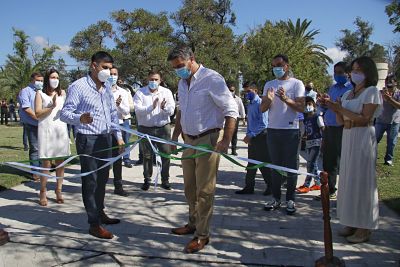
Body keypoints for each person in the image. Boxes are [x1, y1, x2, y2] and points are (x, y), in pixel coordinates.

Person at [168, 45, 238, 253]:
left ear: (192, 59)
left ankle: (202, 235)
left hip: (207, 140)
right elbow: (181, 110)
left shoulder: (212, 79)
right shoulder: (182, 82)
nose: (178, 70)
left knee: (205, 191)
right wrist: (174, 137)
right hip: (187, 141)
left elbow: (231, 110)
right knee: (190, 188)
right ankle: (192, 223)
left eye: (180, 66)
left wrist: (226, 139)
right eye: (175, 68)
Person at [60, 51, 124, 239]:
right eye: (105, 68)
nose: (108, 72)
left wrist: (118, 137)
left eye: (110, 68)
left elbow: (113, 115)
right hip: (87, 139)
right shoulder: (78, 87)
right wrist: (79, 118)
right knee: (91, 181)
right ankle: (93, 224)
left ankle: (100, 212)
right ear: (93, 65)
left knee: (103, 179)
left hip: (106, 139)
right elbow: (64, 114)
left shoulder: (107, 88)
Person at [323, 56, 382, 243]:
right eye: (353, 69)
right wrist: (335, 109)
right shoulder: (348, 94)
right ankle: (351, 221)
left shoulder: (371, 91)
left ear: (368, 72)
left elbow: (364, 118)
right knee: (348, 179)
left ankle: (365, 227)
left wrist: (339, 109)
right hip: (347, 136)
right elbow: (341, 119)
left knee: (362, 180)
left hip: (363, 136)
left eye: (359, 70)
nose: (355, 73)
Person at [260, 54, 305, 215]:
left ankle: (290, 199)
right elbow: (262, 109)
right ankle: (276, 198)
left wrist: (286, 99)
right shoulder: (269, 84)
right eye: (273, 66)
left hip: (290, 131)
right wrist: (269, 99)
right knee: (275, 167)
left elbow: (301, 107)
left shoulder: (296, 84)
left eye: (279, 65)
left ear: (287, 65)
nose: (276, 68)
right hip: (273, 130)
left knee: (291, 167)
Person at [316, 62, 352, 200]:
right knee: (328, 161)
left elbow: (343, 108)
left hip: (342, 128)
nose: (337, 75)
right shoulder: (333, 88)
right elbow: (328, 107)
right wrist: (323, 103)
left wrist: (332, 104)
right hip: (329, 128)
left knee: (342, 161)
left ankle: (346, 192)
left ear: (347, 73)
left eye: (340, 72)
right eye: (335, 72)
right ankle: (328, 190)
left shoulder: (350, 90)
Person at [133, 70, 175, 191]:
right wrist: (151, 107)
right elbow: (138, 110)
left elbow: (172, 110)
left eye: (156, 79)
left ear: (160, 80)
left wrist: (164, 108)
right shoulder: (140, 93)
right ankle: (147, 179)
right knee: (147, 156)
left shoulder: (166, 92)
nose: (153, 82)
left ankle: (165, 180)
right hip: (146, 129)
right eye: (151, 79)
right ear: (147, 79)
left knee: (166, 155)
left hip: (163, 128)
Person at [34, 68, 70, 206]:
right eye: (52, 77)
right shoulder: (40, 94)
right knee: (47, 164)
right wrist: (51, 106)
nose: (55, 80)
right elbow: (37, 113)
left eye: (57, 77)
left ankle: (58, 190)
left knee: (61, 163)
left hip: (60, 130)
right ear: (47, 78)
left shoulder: (63, 93)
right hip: (46, 130)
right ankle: (43, 191)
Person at [235, 84, 271, 195]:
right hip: (253, 137)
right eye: (245, 92)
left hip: (261, 136)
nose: (247, 94)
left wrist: (251, 135)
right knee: (251, 164)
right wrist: (248, 135)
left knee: (262, 163)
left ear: (255, 90)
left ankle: (270, 186)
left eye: (249, 91)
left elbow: (263, 124)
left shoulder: (260, 103)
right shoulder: (250, 105)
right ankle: (249, 186)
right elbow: (251, 123)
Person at [109, 67, 130, 196]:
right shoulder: (101, 90)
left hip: (119, 127)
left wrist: (118, 105)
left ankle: (118, 185)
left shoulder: (123, 92)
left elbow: (126, 111)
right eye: (110, 74)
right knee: (104, 158)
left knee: (118, 159)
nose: (112, 76)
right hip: (105, 129)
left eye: (115, 74)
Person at [18, 72, 44, 181]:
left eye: (42, 81)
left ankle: (43, 170)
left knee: (43, 148)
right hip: (32, 124)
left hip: (43, 124)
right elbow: (26, 108)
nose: (40, 83)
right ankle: (35, 172)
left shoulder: (42, 91)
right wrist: (37, 118)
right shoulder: (25, 91)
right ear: (32, 80)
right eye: (38, 80)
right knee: (35, 148)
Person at [296, 97, 324, 194]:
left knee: (310, 163)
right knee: (314, 164)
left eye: (309, 104)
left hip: (316, 142)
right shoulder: (306, 118)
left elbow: (322, 128)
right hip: (309, 142)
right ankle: (317, 183)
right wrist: (304, 136)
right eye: (305, 104)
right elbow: (306, 130)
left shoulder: (317, 116)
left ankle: (306, 185)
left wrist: (324, 141)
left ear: (313, 104)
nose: (307, 106)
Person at [375, 75, 400, 166]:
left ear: (395, 83)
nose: (388, 86)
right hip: (380, 120)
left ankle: (388, 160)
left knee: (391, 142)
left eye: (391, 84)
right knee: (374, 140)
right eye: (387, 83)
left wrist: (390, 99)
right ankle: (372, 157)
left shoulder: (398, 93)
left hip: (394, 122)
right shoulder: (380, 93)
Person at [228, 83, 245, 155]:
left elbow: (241, 108)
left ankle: (233, 150)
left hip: (235, 118)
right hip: (226, 118)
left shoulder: (238, 99)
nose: (231, 92)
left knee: (234, 134)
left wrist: (243, 118)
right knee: (225, 134)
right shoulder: (224, 98)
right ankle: (224, 148)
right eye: (230, 90)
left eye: (233, 90)